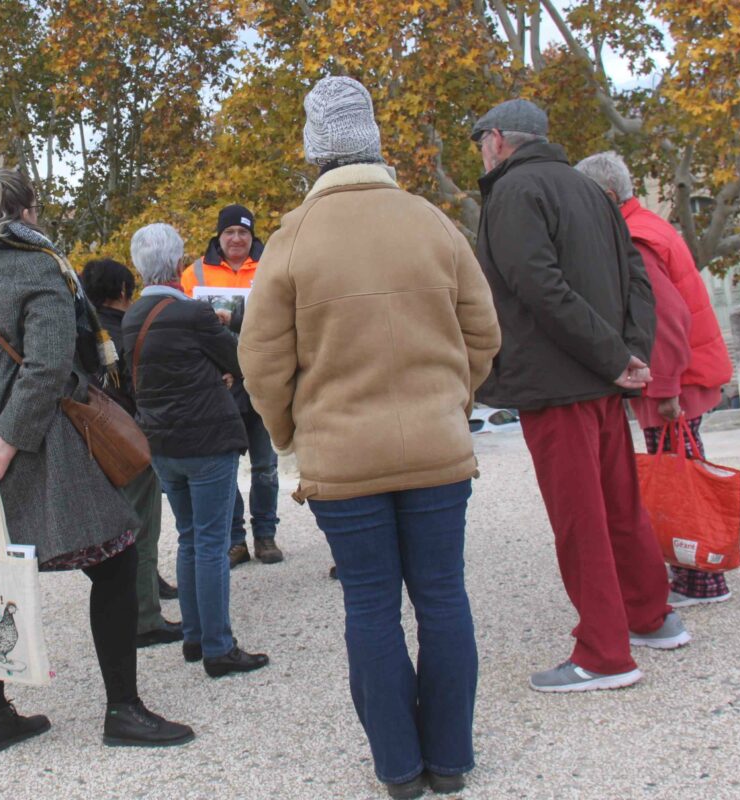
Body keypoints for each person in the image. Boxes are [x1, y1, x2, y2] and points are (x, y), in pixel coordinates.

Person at [239, 76, 501, 800]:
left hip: (343, 453)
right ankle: (449, 759)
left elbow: (261, 360)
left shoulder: (293, 238)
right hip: (437, 447)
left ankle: (397, 767)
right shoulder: (431, 222)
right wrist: (453, 400)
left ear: (314, 147)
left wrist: (293, 431)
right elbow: (484, 331)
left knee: (370, 604)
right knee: (444, 596)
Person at [0, 167, 193, 754]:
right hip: (35, 455)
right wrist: (6, 441)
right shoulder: (40, 268)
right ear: (24, 212)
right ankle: (123, 711)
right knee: (115, 562)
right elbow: (48, 367)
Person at [470, 99, 690, 694]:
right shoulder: (591, 190)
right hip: (598, 379)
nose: (480, 154)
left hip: (559, 382)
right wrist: (628, 353)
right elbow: (637, 280)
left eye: (479, 143)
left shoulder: (514, 194)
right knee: (619, 507)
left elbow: (539, 288)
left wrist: (618, 357)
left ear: (496, 141)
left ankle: (604, 653)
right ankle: (650, 616)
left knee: (581, 520)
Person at [576, 151, 736, 606]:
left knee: (678, 478)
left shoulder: (636, 238)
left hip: (674, 380)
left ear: (606, 196)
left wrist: (665, 390)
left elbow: (662, 320)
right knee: (683, 470)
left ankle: (699, 578)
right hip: (685, 372)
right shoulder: (648, 226)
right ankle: (697, 569)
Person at [122, 222, 270, 679]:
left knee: (188, 539)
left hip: (162, 441)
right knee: (210, 544)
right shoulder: (191, 314)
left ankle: (194, 635)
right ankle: (218, 647)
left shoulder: (131, 317)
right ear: (179, 261)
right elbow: (238, 359)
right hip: (206, 438)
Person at [80, 258, 184, 646]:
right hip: (130, 439)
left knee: (123, 527)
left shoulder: (88, 329)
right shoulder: (125, 330)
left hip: (97, 439)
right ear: (124, 291)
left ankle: (144, 593)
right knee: (142, 527)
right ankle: (145, 617)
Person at [181, 205, 283, 567]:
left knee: (266, 467)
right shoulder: (194, 273)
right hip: (220, 384)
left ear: (252, 236)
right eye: (230, 233)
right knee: (225, 469)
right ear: (219, 236)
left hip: (264, 378)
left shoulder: (273, 264)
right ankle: (235, 539)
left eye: (243, 233)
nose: (237, 239)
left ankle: (266, 535)